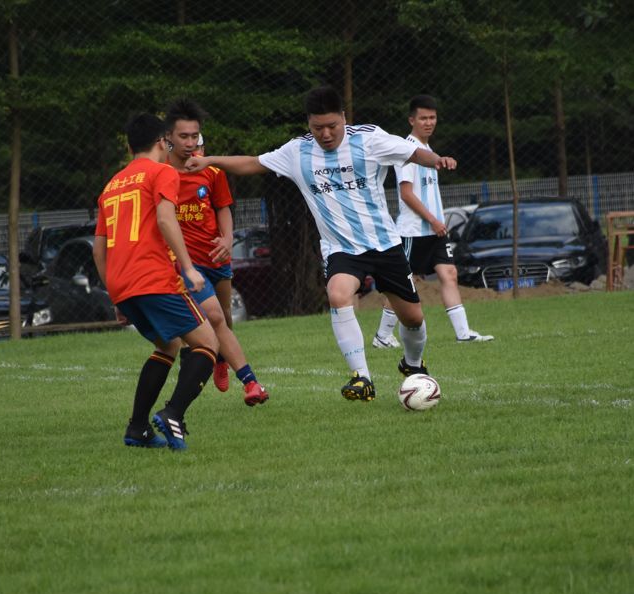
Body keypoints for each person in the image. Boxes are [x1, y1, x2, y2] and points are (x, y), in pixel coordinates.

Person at [184, 86, 457, 402]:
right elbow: (253, 163)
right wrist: (210, 161)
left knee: (413, 318)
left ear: (343, 118)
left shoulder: (369, 139)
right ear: (309, 124)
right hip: (341, 248)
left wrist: (437, 160)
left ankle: (412, 364)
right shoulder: (297, 151)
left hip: (385, 244)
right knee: (338, 294)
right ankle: (361, 377)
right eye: (318, 128)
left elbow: (412, 152)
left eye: (332, 126)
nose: (325, 134)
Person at [93, 112, 220, 450]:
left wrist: (115, 294)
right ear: (163, 142)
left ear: (129, 147)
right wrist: (189, 268)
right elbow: (165, 219)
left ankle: (137, 429)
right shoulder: (162, 172)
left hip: (122, 284)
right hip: (154, 278)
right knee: (208, 344)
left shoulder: (111, 186)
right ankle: (173, 413)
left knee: (168, 345)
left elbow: (99, 249)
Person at [163, 98, 269, 406]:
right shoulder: (160, 173)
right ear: (169, 137)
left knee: (224, 318)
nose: (190, 143)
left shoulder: (210, 171)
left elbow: (223, 208)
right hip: (185, 263)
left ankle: (221, 359)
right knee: (212, 316)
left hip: (215, 256)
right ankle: (250, 383)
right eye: (183, 136)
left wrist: (226, 238)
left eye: (194, 136)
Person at [372, 95, 493, 347]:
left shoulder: (428, 152)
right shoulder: (407, 150)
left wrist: (437, 222)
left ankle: (463, 334)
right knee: (404, 282)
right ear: (411, 120)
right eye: (423, 118)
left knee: (449, 274)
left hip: (435, 230)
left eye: (432, 118)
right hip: (413, 231)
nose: (428, 122)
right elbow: (406, 194)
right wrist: (433, 220)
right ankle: (382, 336)